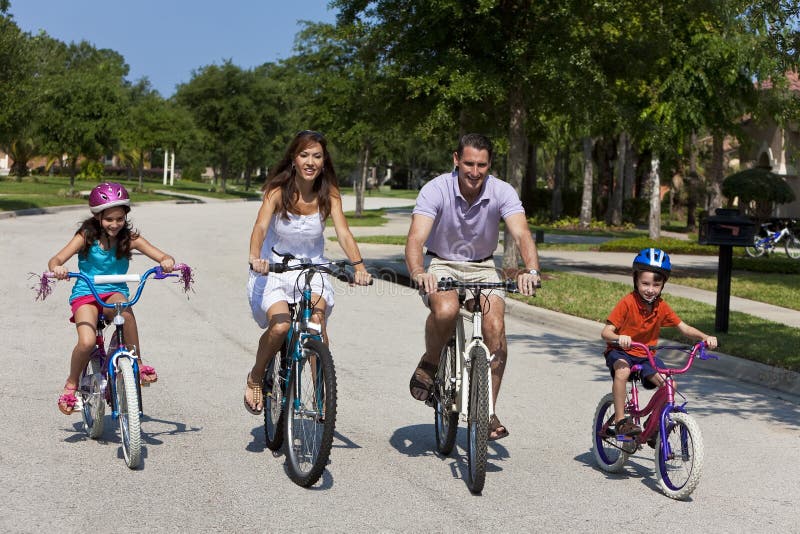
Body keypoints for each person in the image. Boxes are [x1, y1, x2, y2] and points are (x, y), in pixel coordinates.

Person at [405, 132, 541, 441]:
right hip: (442, 263)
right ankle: (431, 360)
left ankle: (488, 411)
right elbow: (415, 238)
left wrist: (530, 269)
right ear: (456, 159)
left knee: (495, 328)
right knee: (447, 309)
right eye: (468, 163)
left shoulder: (502, 191)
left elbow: (521, 234)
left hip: (483, 266)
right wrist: (418, 271)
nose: (475, 172)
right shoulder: (436, 189)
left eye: (482, 165)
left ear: (490, 164)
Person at [245, 130, 372, 414]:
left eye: (317, 156)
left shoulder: (330, 194)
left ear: (324, 161)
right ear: (294, 158)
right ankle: (255, 376)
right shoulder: (277, 192)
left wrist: (358, 266)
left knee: (316, 325)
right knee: (280, 326)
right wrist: (256, 257)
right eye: (304, 155)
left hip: (313, 268)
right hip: (277, 268)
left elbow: (343, 232)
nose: (310, 161)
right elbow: (260, 227)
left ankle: (320, 397)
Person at [48, 182, 176, 415]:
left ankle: (136, 363)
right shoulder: (85, 237)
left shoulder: (130, 238)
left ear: (125, 216)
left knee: (125, 310)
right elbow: (56, 259)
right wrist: (58, 268)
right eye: (109, 219)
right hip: (86, 293)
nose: (115, 224)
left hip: (114, 290)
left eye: (120, 218)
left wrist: (166, 261)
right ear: (98, 217)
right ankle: (71, 384)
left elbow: (161, 255)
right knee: (86, 342)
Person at [600, 248, 718, 436]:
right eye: (645, 283)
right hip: (621, 352)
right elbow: (606, 332)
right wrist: (618, 338)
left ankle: (653, 425)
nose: (650, 289)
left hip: (646, 356)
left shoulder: (661, 307)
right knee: (622, 371)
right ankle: (621, 420)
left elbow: (684, 328)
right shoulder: (627, 302)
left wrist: (705, 338)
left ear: (663, 284)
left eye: (656, 284)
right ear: (636, 280)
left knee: (670, 385)